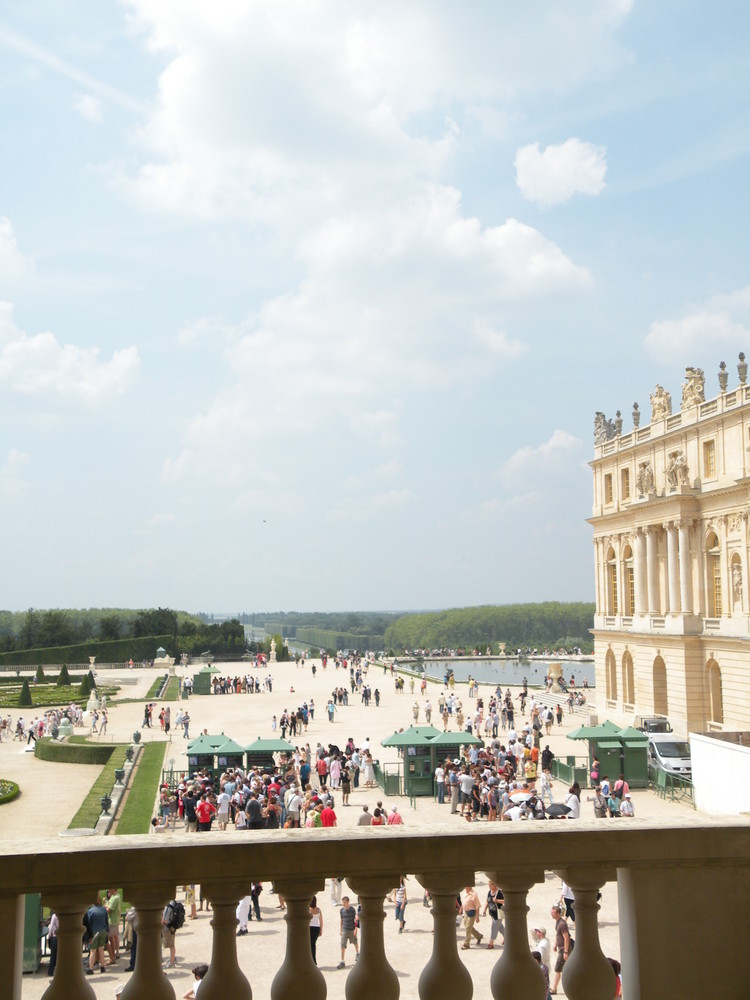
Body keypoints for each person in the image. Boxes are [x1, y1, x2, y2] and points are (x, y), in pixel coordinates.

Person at [84, 898, 109, 974]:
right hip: (103, 930)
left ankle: (91, 969)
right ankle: (102, 967)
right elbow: (106, 921)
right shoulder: (104, 910)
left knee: (93, 951)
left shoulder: (91, 911)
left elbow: (88, 923)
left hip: (94, 932)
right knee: (101, 949)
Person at [550, 903, 571, 995]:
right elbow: (559, 935)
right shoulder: (558, 922)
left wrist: (565, 952)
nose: (551, 914)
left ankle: (554, 989)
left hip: (564, 949)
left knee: (558, 969)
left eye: (553, 913)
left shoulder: (562, 924)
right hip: (562, 948)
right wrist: (555, 944)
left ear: (558, 914)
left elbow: (566, 938)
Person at [337, 896, 359, 968]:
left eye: (344, 902)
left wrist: (356, 929)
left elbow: (355, 920)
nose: (343, 904)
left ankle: (357, 953)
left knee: (355, 942)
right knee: (342, 945)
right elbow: (341, 920)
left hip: (352, 929)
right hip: (345, 930)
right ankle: (342, 961)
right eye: (343, 902)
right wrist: (340, 930)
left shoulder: (352, 910)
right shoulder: (341, 910)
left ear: (348, 902)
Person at [460, 885, 483, 950]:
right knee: (468, 926)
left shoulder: (474, 895)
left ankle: (466, 944)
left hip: (471, 913)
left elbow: (477, 906)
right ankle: (478, 936)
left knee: (468, 927)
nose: (465, 887)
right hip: (466, 912)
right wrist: (461, 909)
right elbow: (464, 902)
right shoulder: (464, 893)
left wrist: (477, 916)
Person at [483, 881, 504, 948]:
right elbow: (487, 901)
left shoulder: (500, 892)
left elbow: (506, 900)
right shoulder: (489, 892)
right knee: (500, 927)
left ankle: (491, 943)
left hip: (499, 913)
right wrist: (485, 909)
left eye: (490, 885)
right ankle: (508, 938)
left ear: (494, 885)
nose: (489, 886)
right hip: (492, 913)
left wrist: (497, 900)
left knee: (494, 927)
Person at [309, 896, 323, 965]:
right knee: (313, 945)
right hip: (316, 928)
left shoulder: (309, 909)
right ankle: (313, 961)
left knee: (310, 945)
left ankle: (312, 961)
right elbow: (321, 921)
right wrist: (321, 929)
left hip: (310, 928)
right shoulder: (318, 910)